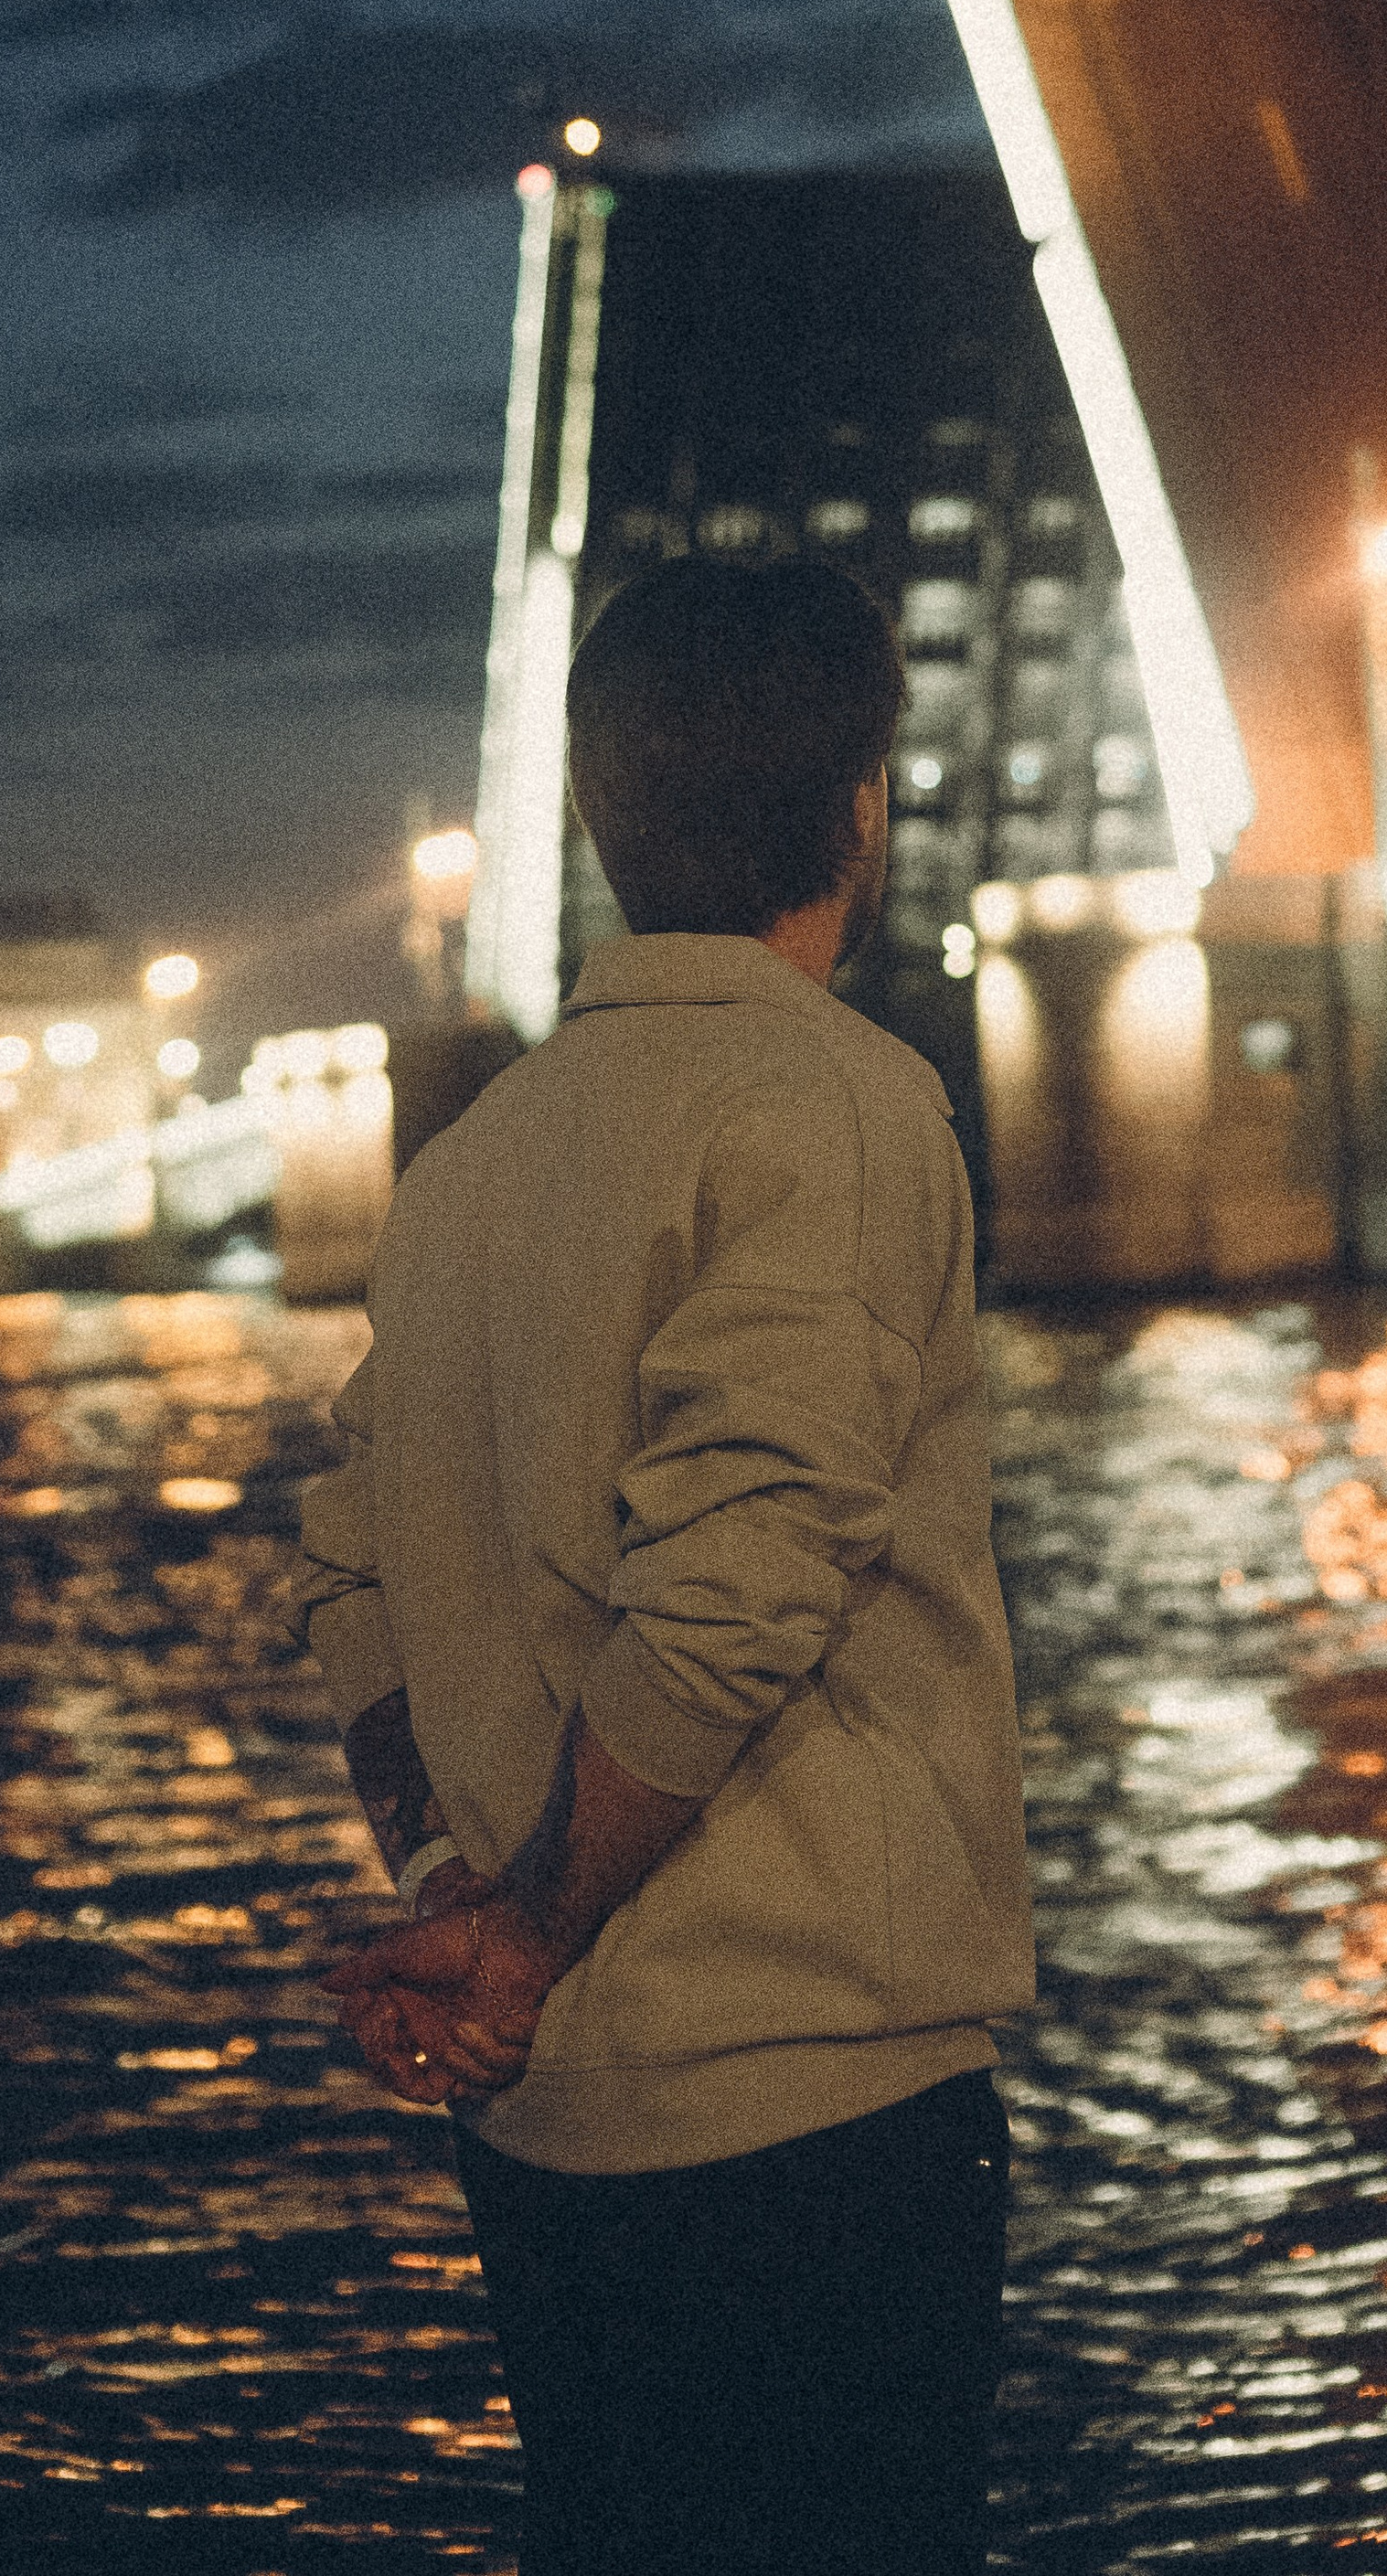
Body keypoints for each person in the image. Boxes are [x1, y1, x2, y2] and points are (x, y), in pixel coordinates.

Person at [295, 551, 1034, 2576]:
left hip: (541, 2124)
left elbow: (343, 1568)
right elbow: (744, 1573)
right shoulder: (843, 1106)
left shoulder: (470, 1167)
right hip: (806, 2088)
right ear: (857, 805)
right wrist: (530, 1923)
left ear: (600, 817)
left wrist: (453, 1890)